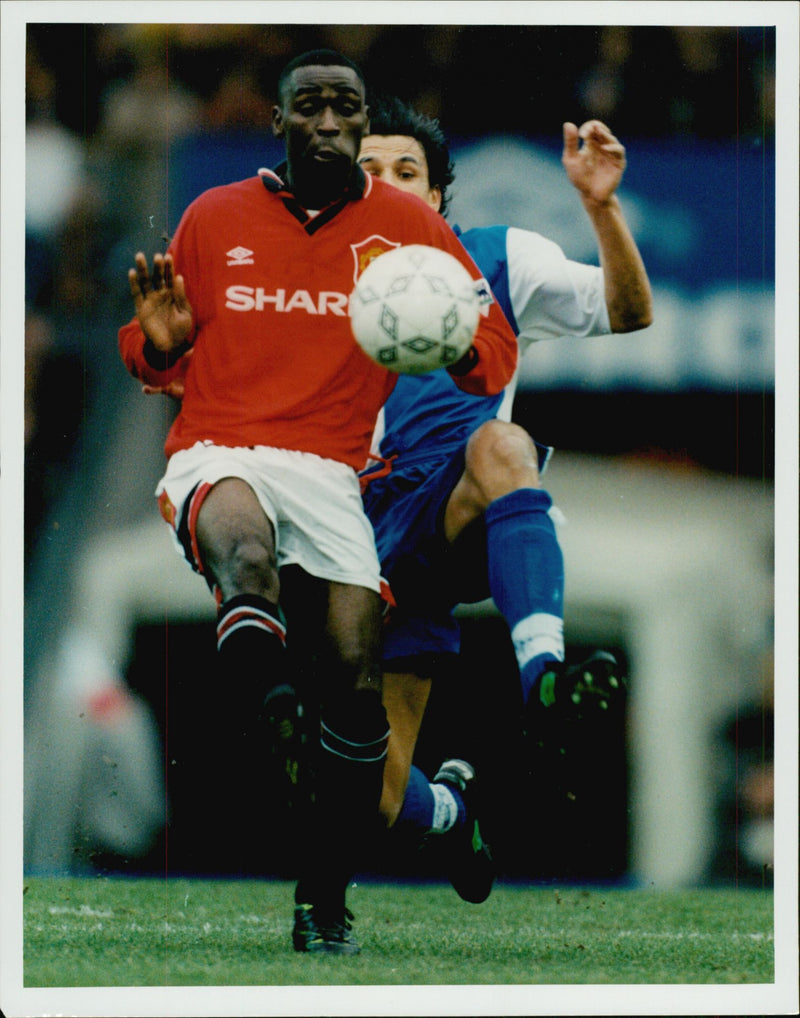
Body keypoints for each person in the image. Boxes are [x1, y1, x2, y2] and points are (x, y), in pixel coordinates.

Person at [118, 51, 517, 955]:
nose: (329, 121)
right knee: (246, 559)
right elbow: (152, 354)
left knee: (359, 709)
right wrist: (160, 346)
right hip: (219, 447)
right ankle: (271, 693)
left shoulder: (408, 224)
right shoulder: (215, 217)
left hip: (334, 474)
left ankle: (323, 900)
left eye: (346, 106)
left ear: (360, 117)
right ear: (282, 122)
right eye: (311, 107)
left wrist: (453, 342)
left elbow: (492, 347)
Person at [356, 96, 653, 902]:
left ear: (440, 195)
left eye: (406, 171)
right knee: (371, 800)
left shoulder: (499, 258)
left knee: (503, 444)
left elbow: (629, 312)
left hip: (449, 507)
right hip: (347, 538)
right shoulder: (309, 281)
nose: (386, 184)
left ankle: (544, 676)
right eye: (367, 170)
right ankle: (454, 811)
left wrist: (601, 206)